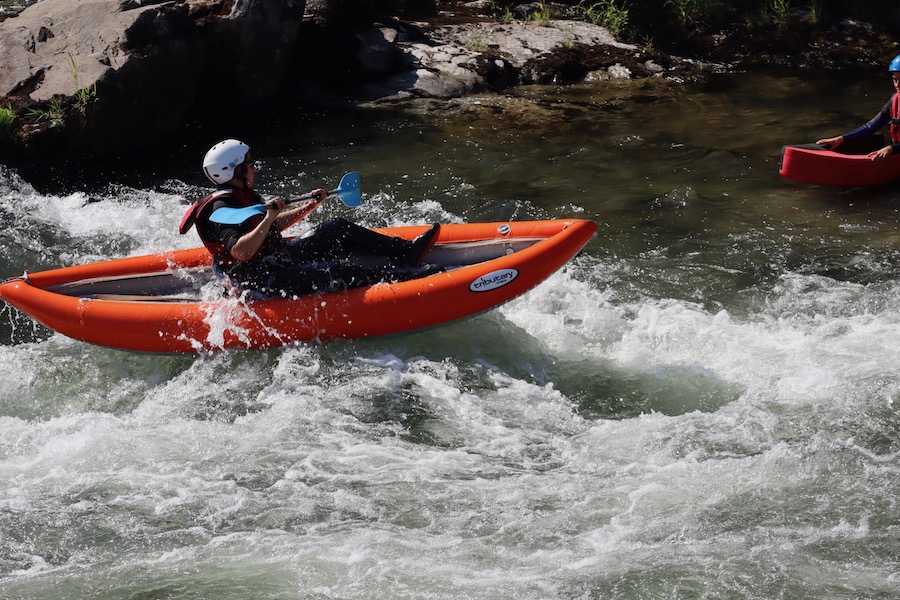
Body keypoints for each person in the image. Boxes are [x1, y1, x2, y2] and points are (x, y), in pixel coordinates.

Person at [180, 139, 440, 297]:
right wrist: (269, 217)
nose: (254, 168)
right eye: (249, 165)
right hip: (257, 280)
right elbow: (240, 251)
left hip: (275, 260)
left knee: (335, 228)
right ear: (234, 171)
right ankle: (402, 278)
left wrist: (310, 206)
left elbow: (271, 228)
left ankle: (407, 252)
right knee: (335, 272)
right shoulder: (220, 209)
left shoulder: (242, 193)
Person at [816, 55, 900, 163]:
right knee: (872, 139)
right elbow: (871, 126)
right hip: (896, 150)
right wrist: (842, 138)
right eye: (895, 80)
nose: (898, 85)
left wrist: (891, 149)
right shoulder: (895, 100)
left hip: (896, 150)